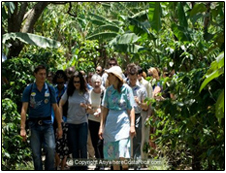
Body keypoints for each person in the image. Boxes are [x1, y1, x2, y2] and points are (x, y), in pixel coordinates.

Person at [20, 65, 62, 170]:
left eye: (44, 74)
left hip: (47, 124)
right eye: (40, 74)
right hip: (34, 125)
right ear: (35, 74)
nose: (43, 76)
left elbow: (56, 108)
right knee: (36, 154)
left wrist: (60, 127)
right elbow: (24, 109)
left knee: (51, 149)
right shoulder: (29, 89)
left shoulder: (50, 89)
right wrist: (22, 128)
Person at [98, 65, 136, 170]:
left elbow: (131, 108)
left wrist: (132, 125)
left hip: (123, 122)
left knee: (122, 154)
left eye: (110, 75)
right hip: (111, 123)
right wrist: (101, 126)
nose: (108, 77)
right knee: (114, 157)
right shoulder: (108, 91)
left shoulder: (127, 89)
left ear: (116, 76)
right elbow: (104, 108)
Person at [59, 71, 90, 170]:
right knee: (74, 147)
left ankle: (84, 167)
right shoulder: (69, 91)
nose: (76, 84)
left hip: (82, 123)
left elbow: (90, 108)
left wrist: (86, 107)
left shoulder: (86, 92)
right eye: (74, 82)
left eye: (78, 81)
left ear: (81, 82)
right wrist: (60, 119)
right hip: (71, 123)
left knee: (82, 146)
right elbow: (60, 103)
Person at [127, 63, 148, 170]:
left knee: (137, 140)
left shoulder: (142, 89)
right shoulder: (124, 87)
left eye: (134, 78)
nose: (132, 81)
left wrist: (139, 102)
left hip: (137, 115)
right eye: (130, 79)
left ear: (137, 76)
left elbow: (146, 106)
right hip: (125, 116)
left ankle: (137, 163)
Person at [52, 70, 69, 170]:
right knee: (55, 143)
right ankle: (56, 162)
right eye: (58, 82)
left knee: (65, 143)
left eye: (61, 82)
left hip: (66, 119)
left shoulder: (67, 91)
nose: (60, 84)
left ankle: (63, 165)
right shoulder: (52, 90)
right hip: (53, 119)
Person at [87, 74, 105, 170]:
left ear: (101, 82)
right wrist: (94, 111)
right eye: (95, 82)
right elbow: (88, 108)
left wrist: (100, 111)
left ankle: (102, 161)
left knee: (101, 142)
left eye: (98, 82)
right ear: (92, 83)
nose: (97, 84)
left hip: (103, 120)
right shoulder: (90, 93)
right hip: (92, 120)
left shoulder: (105, 92)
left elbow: (107, 106)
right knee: (94, 142)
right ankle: (99, 163)